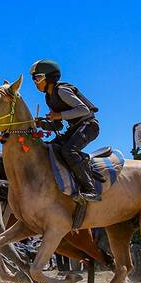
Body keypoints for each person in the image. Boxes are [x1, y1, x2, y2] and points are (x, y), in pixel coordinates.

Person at [30, 59, 102, 202]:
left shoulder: (62, 90)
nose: (35, 82)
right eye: (34, 79)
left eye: (38, 78)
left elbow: (84, 109)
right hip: (75, 128)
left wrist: (59, 115)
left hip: (89, 125)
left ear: (49, 77)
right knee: (51, 147)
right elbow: (58, 126)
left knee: (68, 150)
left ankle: (91, 190)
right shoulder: (48, 98)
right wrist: (42, 124)